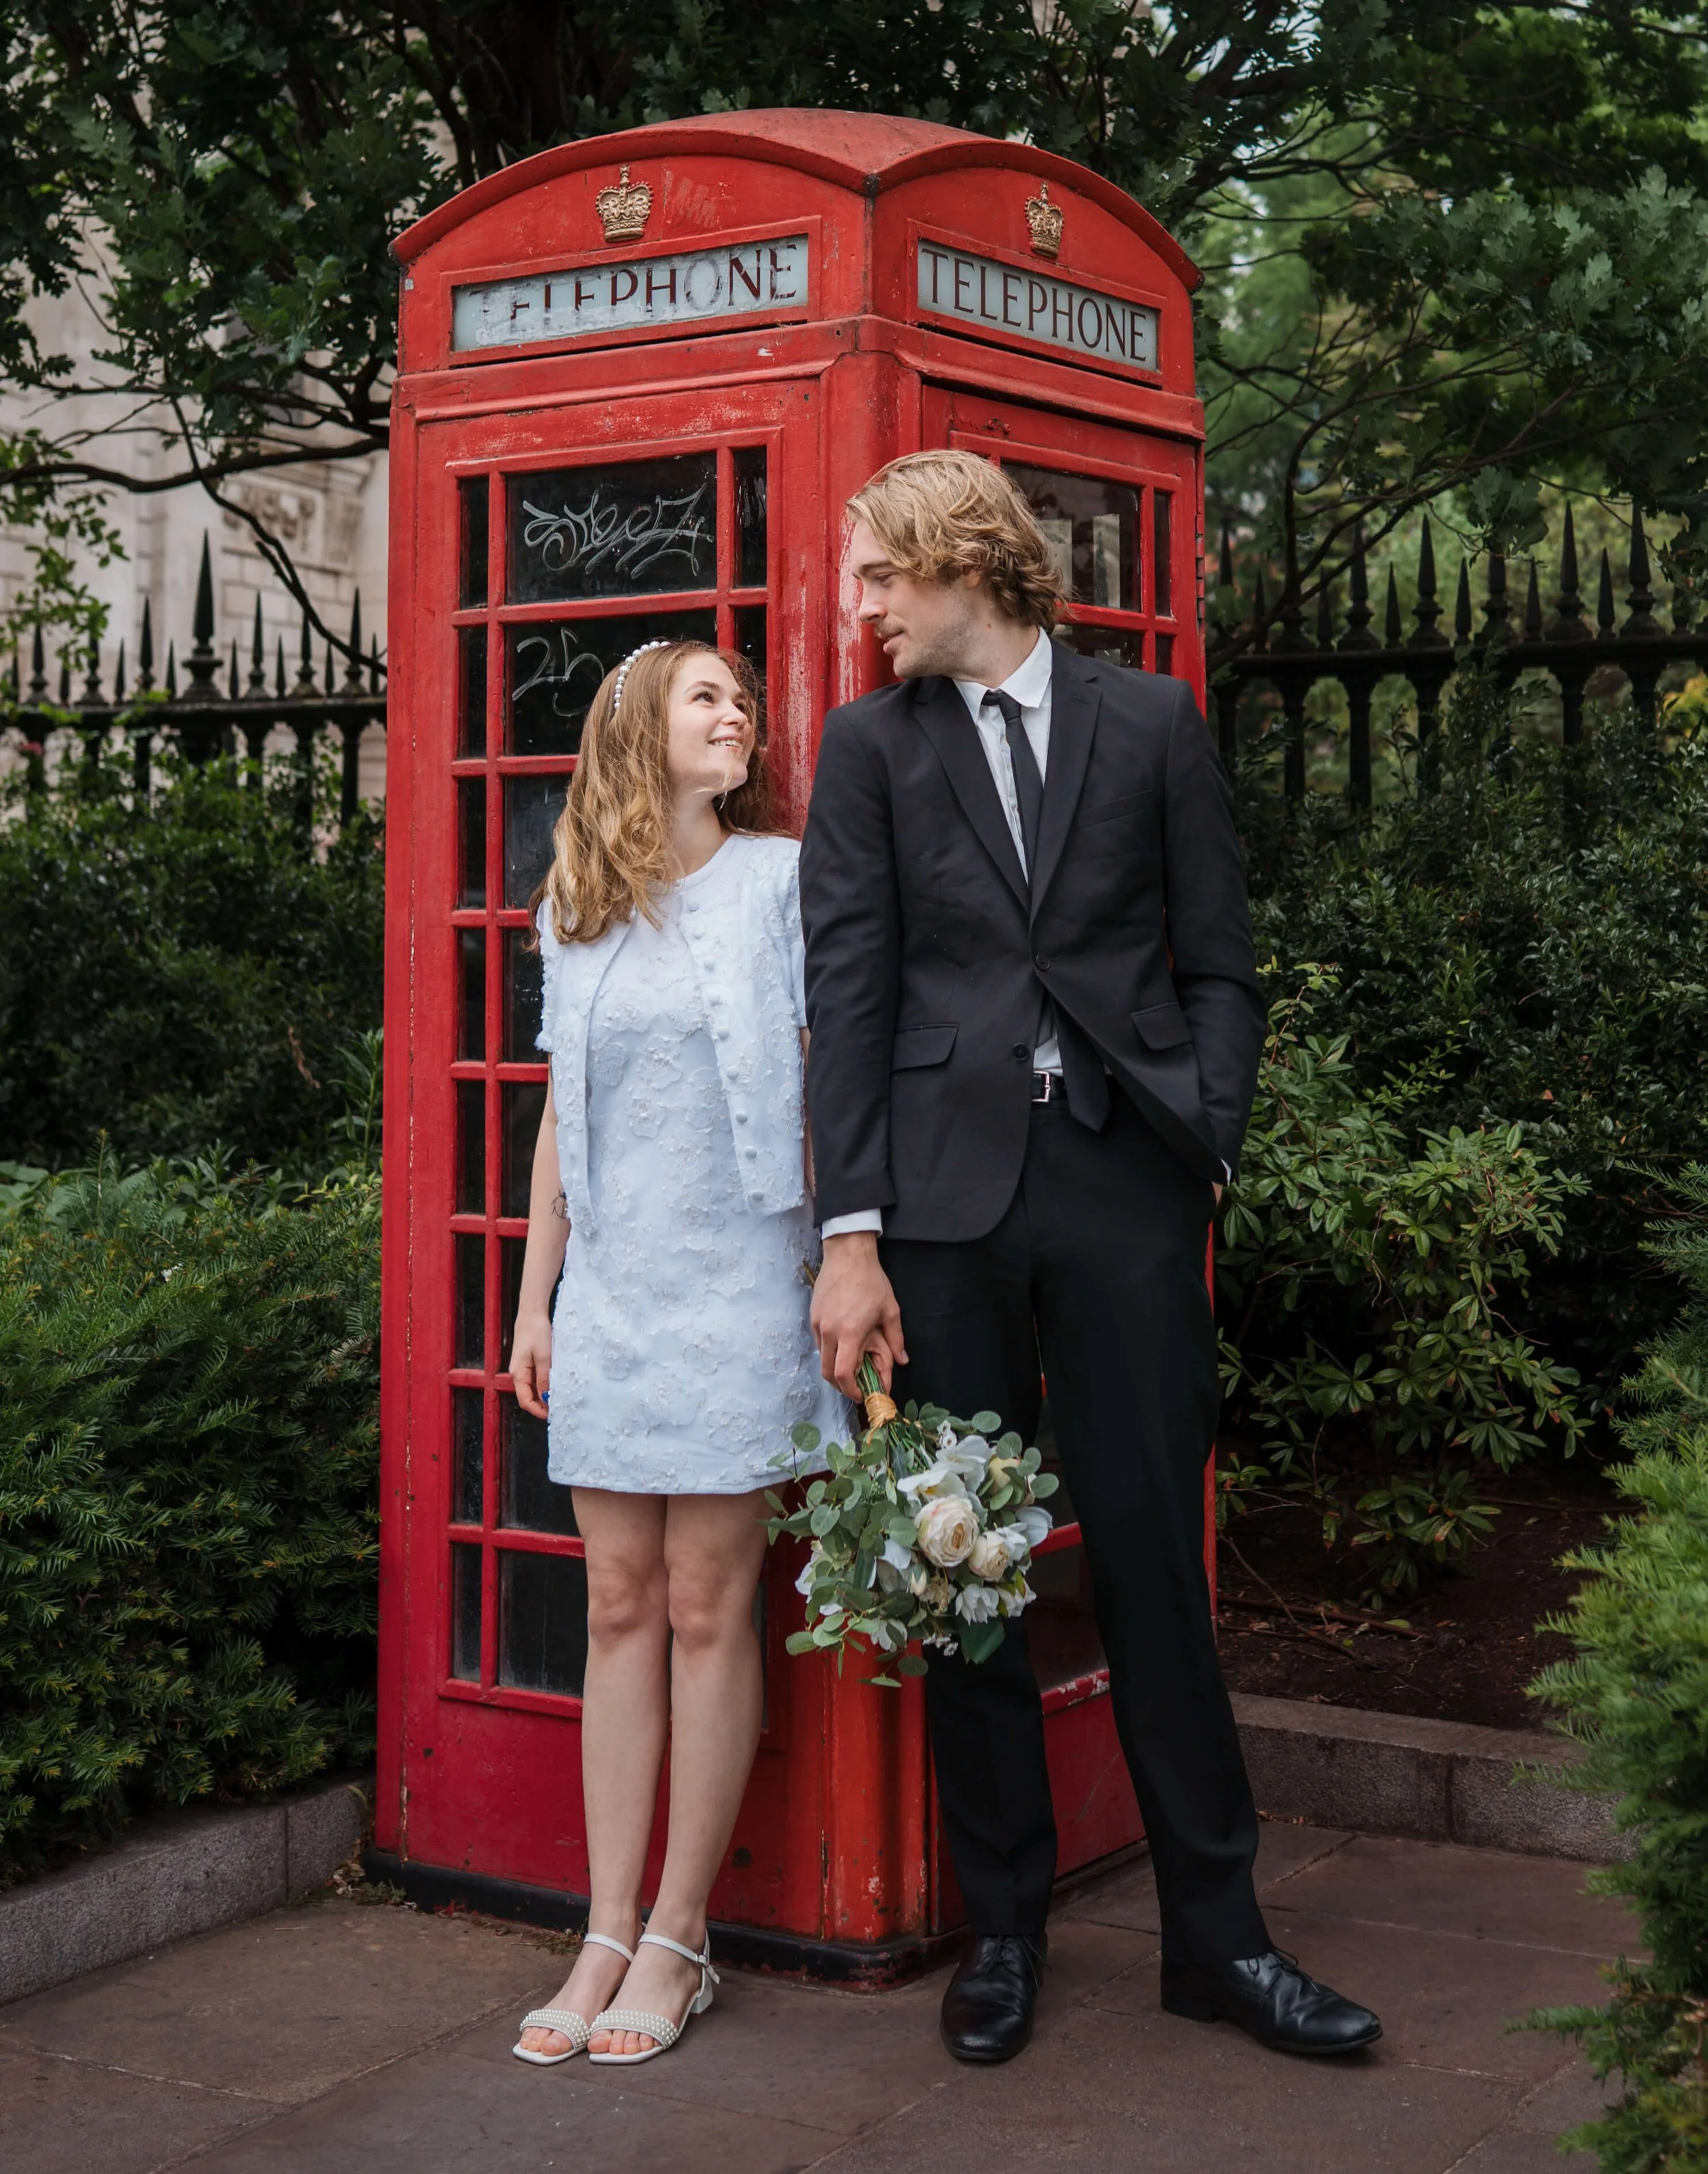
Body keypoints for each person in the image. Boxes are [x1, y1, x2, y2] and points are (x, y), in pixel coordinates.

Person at [799, 449, 1380, 2065]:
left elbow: (1221, 962)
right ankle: (1004, 1930)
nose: (860, 606)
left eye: (878, 575)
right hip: (940, 1210)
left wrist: (1205, 1139)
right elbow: (846, 994)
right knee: (965, 1570)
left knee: (1148, 1565)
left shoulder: (1150, 722)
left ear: (962, 563)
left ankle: (1220, 1938)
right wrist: (849, 1236)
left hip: (1123, 1186)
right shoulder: (869, 747)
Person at [509, 638, 840, 2070]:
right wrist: (534, 1300)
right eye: (706, 695)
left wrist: (850, 1255)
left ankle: (678, 1933)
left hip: (742, 1282)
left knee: (709, 1606)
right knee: (615, 1605)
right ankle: (601, 1926)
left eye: (740, 697)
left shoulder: (780, 882)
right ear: (639, 729)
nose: (737, 712)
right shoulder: (573, 908)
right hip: (615, 1294)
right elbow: (557, 1117)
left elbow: (834, 1076)